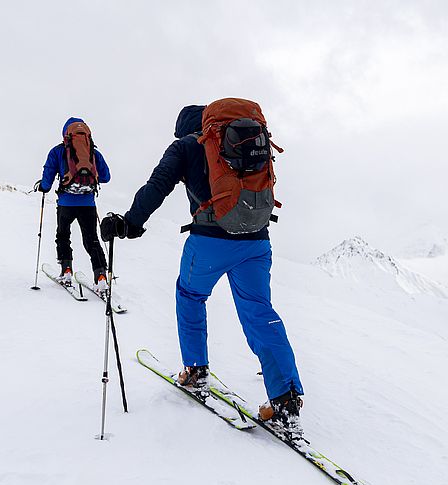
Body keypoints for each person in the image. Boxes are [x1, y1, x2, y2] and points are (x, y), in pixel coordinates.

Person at [100, 101, 304, 438]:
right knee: (259, 311)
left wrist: (130, 223)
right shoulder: (244, 140)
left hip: (210, 241)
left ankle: (195, 371)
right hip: (256, 241)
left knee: (190, 295)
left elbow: (157, 186)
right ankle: (286, 399)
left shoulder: (185, 146)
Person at [35, 117, 112, 295]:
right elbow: (106, 177)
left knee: (63, 235)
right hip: (88, 203)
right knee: (92, 239)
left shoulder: (57, 151)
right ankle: (101, 277)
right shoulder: (93, 152)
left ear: (65, 134)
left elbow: (47, 178)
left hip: (65, 203)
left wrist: (43, 187)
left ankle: (66, 271)